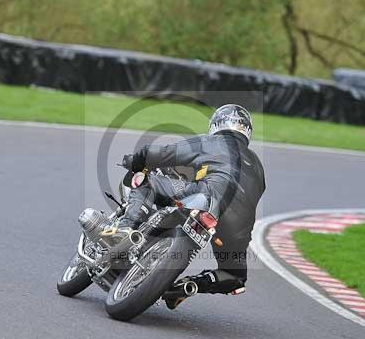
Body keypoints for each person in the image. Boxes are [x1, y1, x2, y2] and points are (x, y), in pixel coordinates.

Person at [102, 104, 266, 298]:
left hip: (206, 195)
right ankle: (186, 288)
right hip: (239, 227)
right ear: (247, 131)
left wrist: (134, 161)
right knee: (235, 277)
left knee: (148, 182)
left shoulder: (212, 142)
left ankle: (125, 229)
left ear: (217, 124)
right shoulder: (257, 165)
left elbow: (161, 154)